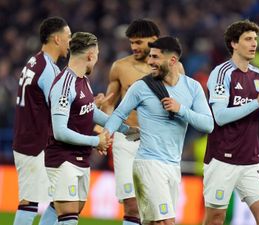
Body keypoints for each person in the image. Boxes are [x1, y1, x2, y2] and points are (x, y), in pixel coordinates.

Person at [105, 36, 214, 225]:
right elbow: (118, 114)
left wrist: (181, 110)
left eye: (155, 57)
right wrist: (104, 136)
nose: (149, 62)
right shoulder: (141, 87)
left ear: (172, 61)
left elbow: (208, 125)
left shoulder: (193, 87)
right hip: (148, 163)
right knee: (166, 222)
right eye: (150, 57)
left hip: (173, 165)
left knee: (155, 223)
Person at [203, 20, 259, 225]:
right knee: (215, 220)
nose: (254, 44)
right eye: (248, 39)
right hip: (222, 158)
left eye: (255, 39)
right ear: (234, 44)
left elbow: (258, 118)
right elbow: (220, 116)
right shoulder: (221, 73)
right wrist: (257, 102)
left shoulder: (258, 75)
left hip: (250, 160)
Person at [45, 31, 137, 225]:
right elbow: (59, 131)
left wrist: (124, 129)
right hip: (63, 158)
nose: (96, 61)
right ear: (90, 55)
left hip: (81, 157)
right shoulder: (65, 84)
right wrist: (96, 141)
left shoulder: (83, 81)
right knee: (68, 216)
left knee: (67, 211)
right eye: (97, 56)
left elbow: (91, 113)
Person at [99, 19, 184, 225]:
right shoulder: (120, 67)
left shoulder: (175, 68)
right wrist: (103, 124)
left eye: (139, 42)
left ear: (154, 40)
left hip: (156, 142)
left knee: (155, 208)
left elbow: (181, 104)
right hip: (127, 138)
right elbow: (111, 104)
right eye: (131, 43)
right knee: (131, 205)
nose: (134, 47)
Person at [12, 16, 71, 225]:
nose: (69, 42)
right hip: (34, 145)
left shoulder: (34, 61)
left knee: (62, 197)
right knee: (29, 202)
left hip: (27, 140)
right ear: (56, 39)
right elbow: (61, 111)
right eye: (68, 37)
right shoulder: (49, 70)